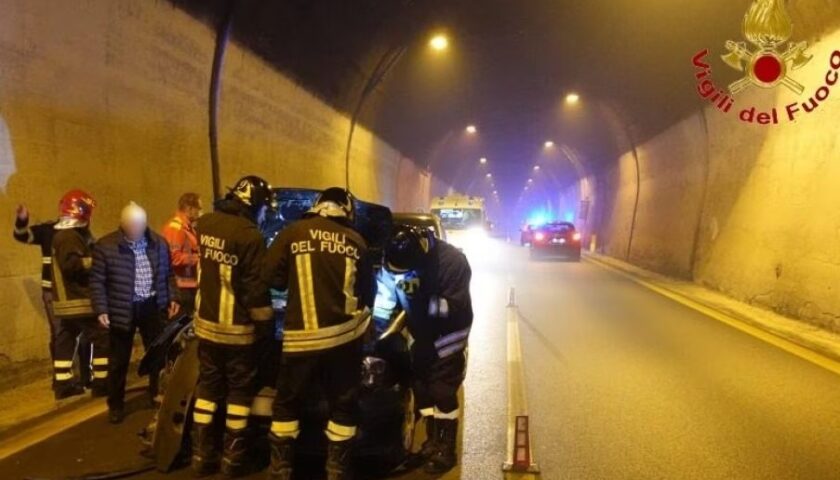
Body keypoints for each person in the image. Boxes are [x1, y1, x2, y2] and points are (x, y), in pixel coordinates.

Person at [262, 187, 374, 480]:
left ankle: (281, 468)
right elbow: (368, 292)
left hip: (302, 339)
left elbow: (270, 275)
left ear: (318, 206)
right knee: (343, 404)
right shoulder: (356, 241)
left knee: (287, 401)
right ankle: (337, 468)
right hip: (344, 339)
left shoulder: (293, 232)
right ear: (346, 211)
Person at [190, 176, 275, 478]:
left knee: (208, 389)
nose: (265, 214)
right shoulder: (250, 236)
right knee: (239, 394)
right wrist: (266, 325)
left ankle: (201, 455)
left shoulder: (206, 223)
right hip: (237, 331)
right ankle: (232, 461)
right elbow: (254, 290)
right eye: (265, 207)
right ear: (254, 204)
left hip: (206, 325)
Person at [372, 225, 473, 474]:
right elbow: (386, 295)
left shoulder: (452, 262)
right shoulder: (393, 258)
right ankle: (431, 443)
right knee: (422, 388)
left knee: (442, 390)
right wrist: (377, 330)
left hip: (449, 334)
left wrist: (421, 301)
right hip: (422, 335)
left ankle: (446, 451)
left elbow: (455, 308)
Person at [90, 202, 178, 424]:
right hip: (122, 307)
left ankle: (156, 394)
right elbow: (97, 281)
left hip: (150, 305)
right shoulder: (106, 247)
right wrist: (101, 309)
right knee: (119, 360)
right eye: (131, 226)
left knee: (157, 354)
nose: (136, 230)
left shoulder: (158, 243)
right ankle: (116, 404)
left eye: (139, 225)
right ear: (122, 225)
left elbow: (168, 275)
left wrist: (172, 297)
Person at [13, 203, 93, 395]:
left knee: (79, 334)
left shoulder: (82, 232)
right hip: (54, 291)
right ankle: (62, 379)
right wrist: (22, 220)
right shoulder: (48, 230)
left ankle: (83, 377)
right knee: (61, 333)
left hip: (76, 291)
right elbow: (21, 235)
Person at [50, 189, 110, 400]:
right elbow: (72, 265)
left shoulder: (63, 234)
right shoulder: (69, 236)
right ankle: (102, 383)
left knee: (66, 339)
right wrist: (97, 261)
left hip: (68, 301)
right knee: (103, 336)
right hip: (80, 300)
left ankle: (63, 384)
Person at [162, 193, 202, 315]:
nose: (200, 212)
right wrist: (199, 258)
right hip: (181, 287)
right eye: (199, 209)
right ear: (189, 209)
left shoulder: (187, 228)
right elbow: (173, 258)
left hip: (189, 285)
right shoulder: (176, 228)